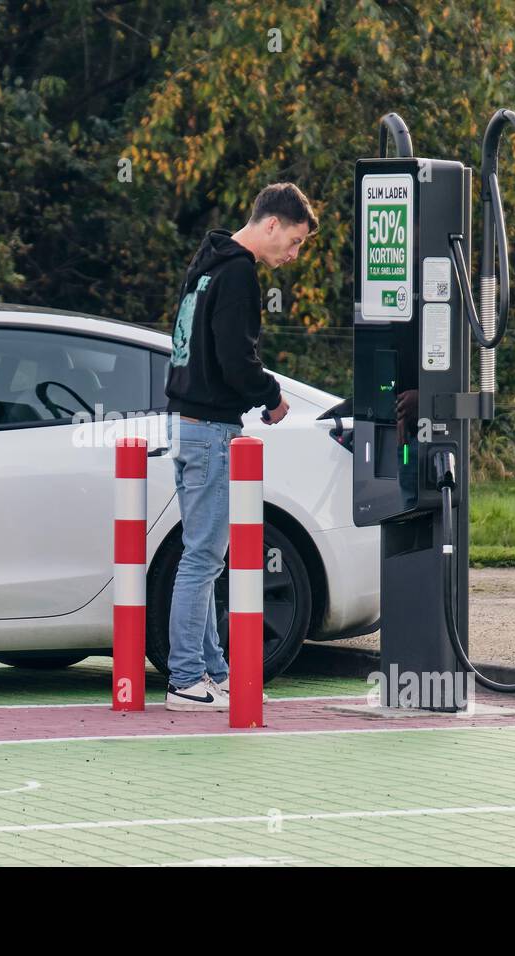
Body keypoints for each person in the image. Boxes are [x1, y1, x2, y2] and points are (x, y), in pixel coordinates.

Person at [162, 182, 318, 711]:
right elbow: (235, 358)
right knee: (203, 557)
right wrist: (271, 397)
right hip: (209, 428)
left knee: (202, 554)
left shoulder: (206, 265)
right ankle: (185, 679)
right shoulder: (238, 274)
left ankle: (212, 673)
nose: (293, 254)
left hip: (186, 424)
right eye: (294, 241)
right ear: (271, 224)